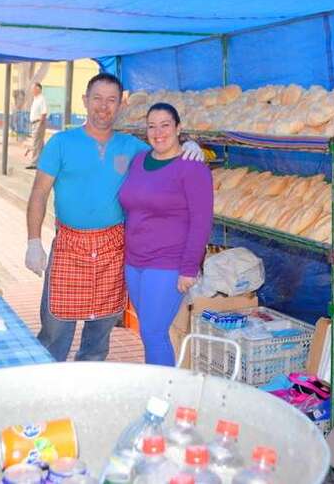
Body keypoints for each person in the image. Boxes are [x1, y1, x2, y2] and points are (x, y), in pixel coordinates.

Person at [25, 73, 204, 362]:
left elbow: (166, 150)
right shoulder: (61, 142)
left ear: (120, 105)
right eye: (97, 98)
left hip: (113, 249)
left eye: (111, 100)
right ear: (85, 100)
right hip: (70, 246)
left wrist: (189, 146)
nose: (103, 106)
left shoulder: (133, 147)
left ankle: (92, 386)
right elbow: (38, 193)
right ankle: (44, 386)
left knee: (99, 337)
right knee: (54, 333)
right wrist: (33, 241)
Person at [118, 103, 213, 366]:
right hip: (134, 261)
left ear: (178, 128)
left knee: (154, 333)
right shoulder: (139, 160)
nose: (158, 133)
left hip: (168, 263)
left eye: (165, 125)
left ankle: (164, 390)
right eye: (152, 126)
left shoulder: (192, 167)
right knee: (149, 333)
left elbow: (201, 222)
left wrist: (189, 268)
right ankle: (159, 384)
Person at [26, 82, 48, 169]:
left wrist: (40, 125)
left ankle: (34, 163)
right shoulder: (36, 99)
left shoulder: (41, 99)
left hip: (38, 123)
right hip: (35, 123)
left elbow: (44, 113)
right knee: (40, 144)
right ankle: (43, 162)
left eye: (33, 88)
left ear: (38, 89)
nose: (32, 90)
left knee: (36, 143)